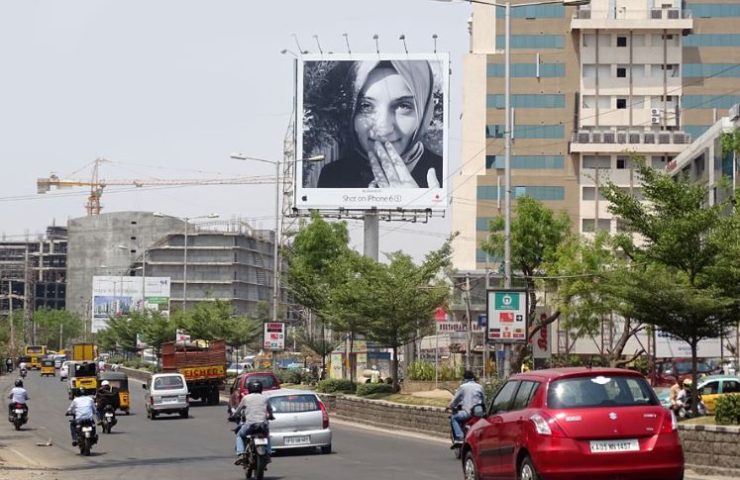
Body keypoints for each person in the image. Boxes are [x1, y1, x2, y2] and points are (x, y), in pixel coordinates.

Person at [317, 60, 443, 189]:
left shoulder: (448, 175)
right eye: (365, 105)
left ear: (424, 111)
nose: (384, 129)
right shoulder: (332, 177)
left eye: (403, 106)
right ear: (352, 112)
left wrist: (422, 207)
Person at [232, 380, 272, 465]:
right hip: (263, 425)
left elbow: (238, 409)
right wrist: (271, 416)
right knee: (267, 436)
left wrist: (233, 416)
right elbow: (270, 409)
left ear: (249, 388)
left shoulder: (246, 398)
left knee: (239, 435)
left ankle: (241, 453)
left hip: (250, 426)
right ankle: (268, 452)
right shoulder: (265, 398)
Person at [448, 370, 485, 446]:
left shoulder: (463, 387)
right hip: (479, 413)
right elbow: (484, 400)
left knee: (454, 418)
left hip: (467, 413)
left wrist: (450, 406)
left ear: (464, 378)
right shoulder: (480, 386)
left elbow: (455, 400)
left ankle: (460, 437)